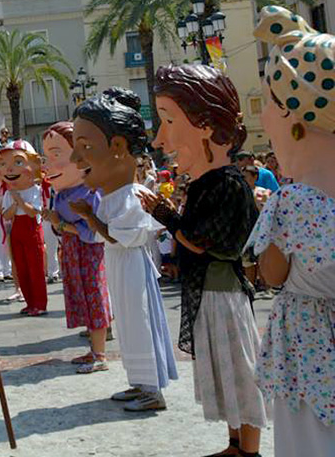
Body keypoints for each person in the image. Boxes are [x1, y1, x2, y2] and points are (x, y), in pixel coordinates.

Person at [144, 64, 269, 455]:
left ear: (203, 125)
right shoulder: (210, 184)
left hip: (224, 293)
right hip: (212, 292)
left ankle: (248, 448)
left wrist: (166, 215)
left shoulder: (228, 184)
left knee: (240, 372)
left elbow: (204, 242)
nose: (161, 138)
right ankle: (235, 443)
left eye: (168, 121)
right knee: (225, 370)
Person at [244, 6, 335, 457]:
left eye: (270, 108)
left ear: (296, 120)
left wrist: (268, 228)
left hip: (309, 347)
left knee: (309, 436)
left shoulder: (292, 202)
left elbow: (273, 274)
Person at [69, 88, 178, 412]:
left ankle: (152, 389)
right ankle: (139, 382)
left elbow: (119, 237)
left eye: (85, 148)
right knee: (128, 325)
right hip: (118, 264)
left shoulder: (134, 194)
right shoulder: (113, 195)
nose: (77, 160)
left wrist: (88, 217)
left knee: (139, 323)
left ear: (117, 147)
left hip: (131, 265)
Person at [41, 121, 110, 373]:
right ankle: (94, 350)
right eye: (46, 157)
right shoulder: (62, 193)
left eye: (55, 155)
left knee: (94, 296)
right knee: (82, 296)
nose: (47, 165)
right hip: (72, 250)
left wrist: (62, 224)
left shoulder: (90, 192)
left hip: (88, 252)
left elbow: (94, 231)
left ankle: (100, 355)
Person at [0, 140, 47, 315]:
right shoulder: (8, 193)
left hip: (32, 229)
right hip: (16, 229)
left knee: (36, 269)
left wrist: (18, 202)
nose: (9, 170)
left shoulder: (36, 190)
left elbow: (33, 212)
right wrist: (16, 204)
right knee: (22, 268)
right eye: (4, 165)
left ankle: (40, 304)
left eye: (18, 163)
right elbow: (6, 215)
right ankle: (29, 302)